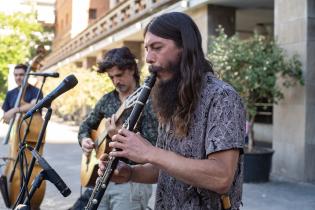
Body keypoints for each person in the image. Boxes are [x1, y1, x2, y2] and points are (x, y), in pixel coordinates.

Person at [98, 12, 246, 210]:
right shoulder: (170, 99)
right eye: (147, 49)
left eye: (157, 48)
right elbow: (166, 168)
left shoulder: (222, 97)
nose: (149, 58)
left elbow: (221, 176)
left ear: (184, 47)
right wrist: (131, 173)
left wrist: (149, 152)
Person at [73, 47, 158, 210]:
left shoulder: (147, 101)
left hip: (133, 181)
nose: (115, 81)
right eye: (111, 77)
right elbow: (86, 125)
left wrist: (119, 136)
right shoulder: (107, 100)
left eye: (119, 75)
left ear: (132, 69)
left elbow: (153, 147)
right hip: (102, 177)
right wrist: (85, 140)